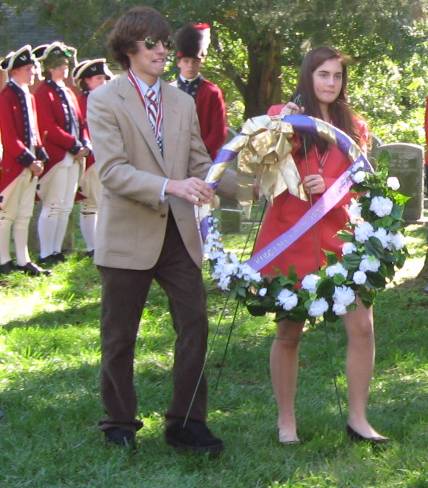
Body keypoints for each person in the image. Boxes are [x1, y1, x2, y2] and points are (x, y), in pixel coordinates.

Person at [87, 6, 236, 452]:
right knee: (119, 336)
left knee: (195, 325)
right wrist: (171, 185)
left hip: (178, 234)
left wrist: (251, 178)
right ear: (128, 48)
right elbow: (112, 171)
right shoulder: (104, 99)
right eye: (151, 43)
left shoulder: (182, 101)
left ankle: (186, 423)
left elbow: (201, 166)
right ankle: (119, 422)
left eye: (165, 43)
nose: (162, 50)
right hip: (127, 234)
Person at [254, 46, 388, 445]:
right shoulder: (285, 117)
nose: (331, 83)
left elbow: (363, 184)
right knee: (289, 332)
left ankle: (359, 419)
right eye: (323, 74)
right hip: (293, 233)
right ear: (308, 76)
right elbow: (264, 172)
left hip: (343, 237)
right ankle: (286, 422)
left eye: (337, 76)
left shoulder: (355, 125)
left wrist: (331, 189)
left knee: (362, 327)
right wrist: (295, 175)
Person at [34, 42, 91, 265]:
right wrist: (74, 145)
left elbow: (80, 121)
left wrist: (85, 141)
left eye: (65, 65)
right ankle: (46, 252)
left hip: (74, 157)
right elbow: (48, 126)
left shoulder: (68, 91)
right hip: (59, 156)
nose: (63, 69)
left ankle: (57, 251)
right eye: (58, 65)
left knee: (66, 206)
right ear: (49, 68)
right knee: (53, 205)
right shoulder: (43, 92)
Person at [0, 45, 50, 276]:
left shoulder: (28, 95)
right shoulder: (7, 95)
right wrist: (29, 160)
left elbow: (34, 132)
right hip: (16, 164)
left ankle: (23, 259)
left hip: (31, 164)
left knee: (24, 214)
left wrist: (40, 156)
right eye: (29, 68)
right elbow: (10, 137)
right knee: (6, 214)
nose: (33, 72)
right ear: (17, 71)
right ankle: (3, 260)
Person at [72, 59, 113, 257]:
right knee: (94, 202)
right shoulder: (82, 102)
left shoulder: (107, 100)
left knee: (97, 203)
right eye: (98, 78)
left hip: (107, 157)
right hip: (92, 159)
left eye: (104, 78)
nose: (103, 81)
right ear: (87, 81)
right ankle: (95, 246)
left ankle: (98, 245)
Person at [171, 23, 227, 160]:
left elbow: (219, 133)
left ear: (201, 62)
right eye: (186, 61)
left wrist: (198, 154)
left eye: (195, 61)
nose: (190, 66)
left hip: (203, 160)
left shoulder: (212, 92)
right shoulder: (167, 90)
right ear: (179, 62)